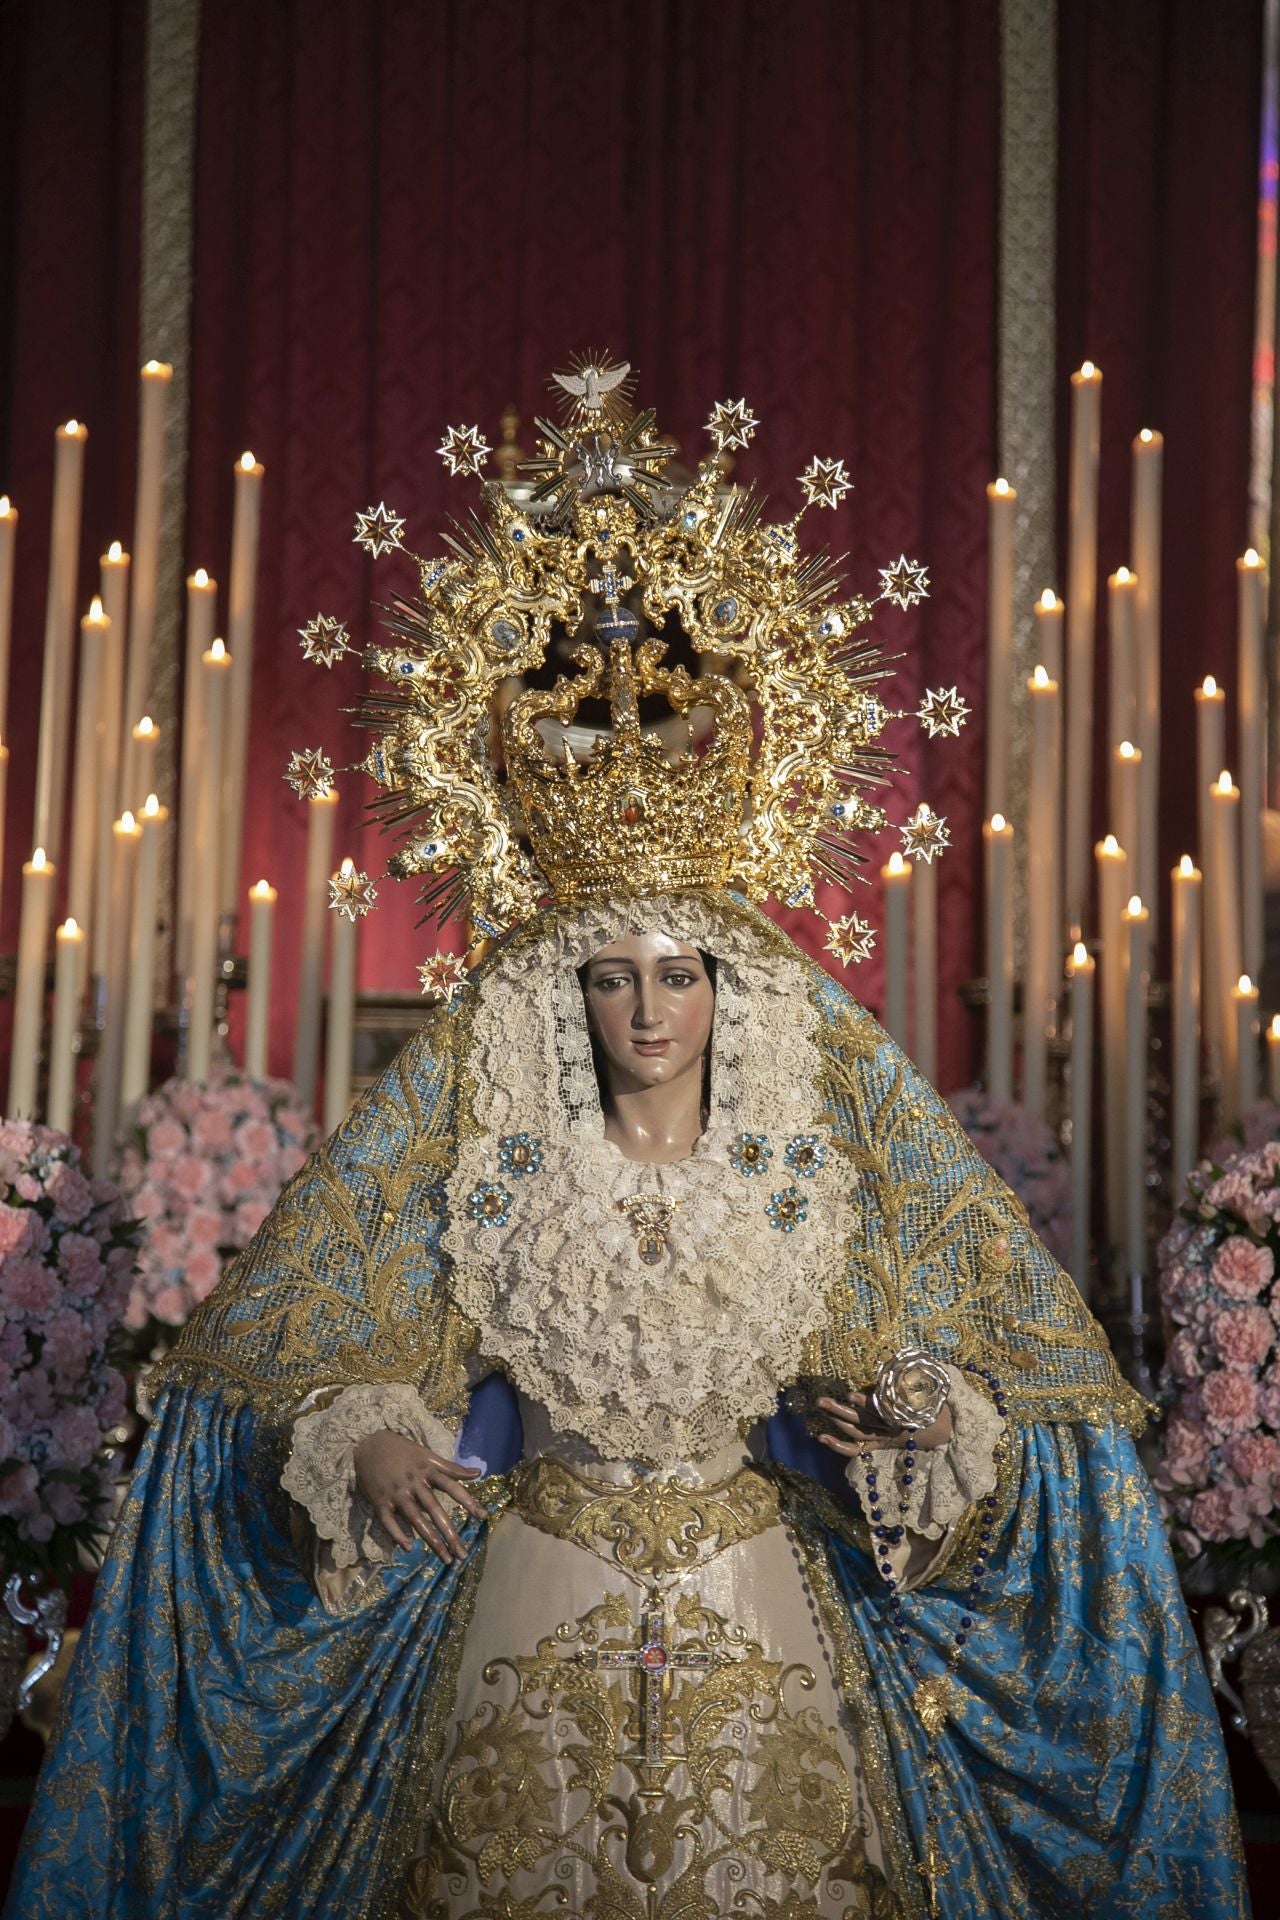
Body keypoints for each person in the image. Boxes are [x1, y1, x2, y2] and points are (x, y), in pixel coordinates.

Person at [6, 364, 1249, 1919]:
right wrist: (375, 1437)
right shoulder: (502, 1172)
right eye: (610, 978)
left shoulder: (806, 1173)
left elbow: (947, 1370)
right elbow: (342, 1350)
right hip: (530, 1594)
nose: (647, 1012)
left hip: (764, 1608)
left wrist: (929, 1421)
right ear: (560, 998)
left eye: (680, 975)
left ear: (733, 993)